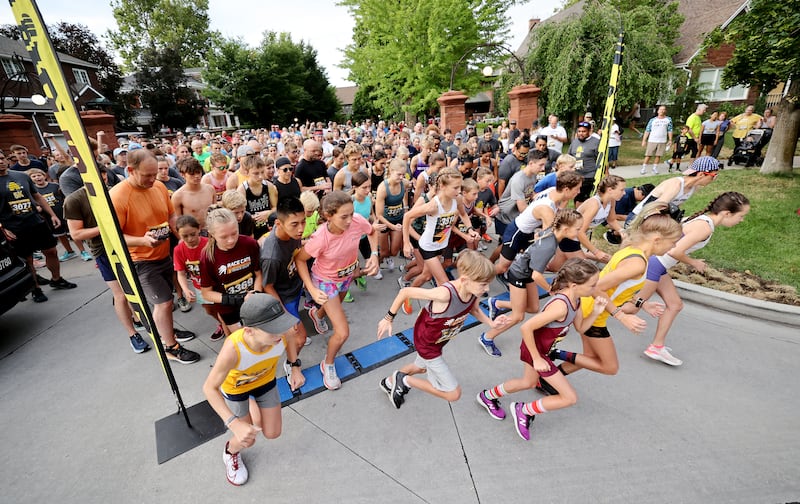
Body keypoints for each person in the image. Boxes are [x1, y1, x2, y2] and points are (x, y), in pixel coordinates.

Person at [548, 202, 682, 385]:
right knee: (608, 366)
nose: (672, 248)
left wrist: (642, 303)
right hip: (592, 313)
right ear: (657, 239)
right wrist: (622, 317)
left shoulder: (630, 248)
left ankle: (548, 379)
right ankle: (553, 354)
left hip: (591, 308)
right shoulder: (638, 263)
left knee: (591, 357)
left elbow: (620, 287)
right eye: (672, 243)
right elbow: (595, 286)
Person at [476, 259, 607, 441]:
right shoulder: (561, 306)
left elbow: (581, 328)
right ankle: (525, 411)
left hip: (542, 350)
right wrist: (537, 358)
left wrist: (595, 312)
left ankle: (487, 396)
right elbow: (526, 327)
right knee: (569, 398)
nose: (595, 289)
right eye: (592, 285)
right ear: (575, 285)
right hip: (536, 351)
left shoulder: (576, 300)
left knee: (527, 382)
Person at [377, 249, 509, 408]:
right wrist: (388, 318)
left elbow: (474, 309)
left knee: (419, 367)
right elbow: (405, 292)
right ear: (466, 280)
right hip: (427, 344)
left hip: (438, 341)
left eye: (488, 284)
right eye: (483, 285)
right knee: (453, 394)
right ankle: (405, 380)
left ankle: (389, 383)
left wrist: (492, 323)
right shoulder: (445, 294)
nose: (487, 289)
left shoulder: (473, 290)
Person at [637, 192, 750, 366]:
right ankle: (592, 307)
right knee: (631, 307)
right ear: (727, 213)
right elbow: (675, 251)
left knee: (675, 305)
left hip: (659, 265)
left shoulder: (704, 220)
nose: (741, 220)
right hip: (655, 264)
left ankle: (656, 347)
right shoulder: (704, 227)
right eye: (741, 216)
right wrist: (694, 262)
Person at [202, 293, 303, 486]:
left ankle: (252, 403)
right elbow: (209, 388)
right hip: (236, 389)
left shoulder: (283, 332)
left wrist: (295, 365)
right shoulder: (233, 349)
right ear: (249, 331)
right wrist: (233, 423)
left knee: (273, 433)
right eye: (272, 330)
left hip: (264, 382)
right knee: (247, 439)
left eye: (281, 325)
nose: (280, 333)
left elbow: (290, 338)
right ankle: (230, 452)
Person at [109, 149, 199, 364]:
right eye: (147, 175)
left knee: (167, 299)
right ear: (130, 170)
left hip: (163, 253)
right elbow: (113, 237)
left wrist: (184, 242)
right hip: (140, 260)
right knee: (165, 303)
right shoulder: (118, 196)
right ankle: (171, 347)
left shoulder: (158, 186)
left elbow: (170, 216)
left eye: (154, 174)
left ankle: (168, 331)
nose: (152, 179)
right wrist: (141, 240)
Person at [295, 191, 379, 390]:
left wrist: (374, 255)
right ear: (328, 215)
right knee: (342, 332)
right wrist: (312, 290)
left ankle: (317, 313)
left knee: (335, 307)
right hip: (325, 281)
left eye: (351, 214)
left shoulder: (357, 220)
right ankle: (328, 363)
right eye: (344, 216)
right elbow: (300, 259)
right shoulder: (320, 238)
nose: (350, 220)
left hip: (346, 275)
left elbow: (372, 232)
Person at [64, 166, 150, 353]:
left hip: (126, 246)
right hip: (103, 251)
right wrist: (105, 227)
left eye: (104, 178)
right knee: (120, 294)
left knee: (135, 287)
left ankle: (139, 319)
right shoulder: (74, 200)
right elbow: (76, 234)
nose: (103, 181)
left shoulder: (114, 192)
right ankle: (132, 334)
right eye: (98, 178)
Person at [482, 209, 584, 357]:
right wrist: (551, 289)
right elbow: (537, 276)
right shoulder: (548, 246)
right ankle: (487, 337)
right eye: (578, 229)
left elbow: (537, 235)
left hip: (527, 271)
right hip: (519, 273)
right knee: (518, 316)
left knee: (533, 307)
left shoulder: (552, 232)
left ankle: (497, 303)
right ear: (566, 229)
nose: (579, 232)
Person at [0, 150, 77, 303]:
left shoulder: (21, 176)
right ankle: (35, 288)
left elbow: (36, 196)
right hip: (14, 227)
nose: (0, 161)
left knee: (51, 251)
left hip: (35, 221)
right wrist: (2, 227)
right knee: (28, 259)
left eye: (1, 158)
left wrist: (53, 215)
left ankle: (56, 279)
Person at [495, 170, 582, 276]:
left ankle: (489, 263)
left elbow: (535, 197)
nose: (579, 192)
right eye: (577, 189)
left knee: (509, 252)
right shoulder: (546, 210)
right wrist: (542, 260)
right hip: (517, 232)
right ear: (566, 189)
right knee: (502, 267)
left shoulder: (553, 190)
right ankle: (479, 276)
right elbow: (547, 238)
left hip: (527, 230)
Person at [402, 168, 479, 286]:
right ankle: (409, 296)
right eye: (455, 188)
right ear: (442, 186)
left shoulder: (457, 199)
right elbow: (407, 217)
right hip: (428, 246)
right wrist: (406, 243)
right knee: (444, 282)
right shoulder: (433, 205)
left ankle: (407, 296)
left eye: (460, 187)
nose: (459, 191)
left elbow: (463, 214)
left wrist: (470, 229)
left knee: (426, 276)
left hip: (441, 244)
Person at [260, 196, 311, 363]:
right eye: (295, 224)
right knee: (300, 338)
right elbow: (267, 286)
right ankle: (291, 364)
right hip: (284, 297)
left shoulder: (294, 234)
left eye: (303, 222)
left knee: (295, 335)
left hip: (295, 288)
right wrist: (285, 316)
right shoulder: (271, 256)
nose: (301, 229)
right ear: (278, 224)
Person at [200, 206, 263, 336]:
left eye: (234, 233)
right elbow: (207, 293)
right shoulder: (207, 256)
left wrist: (255, 294)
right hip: (228, 308)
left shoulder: (249, 244)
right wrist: (239, 298)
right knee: (244, 340)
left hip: (252, 301)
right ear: (212, 234)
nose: (231, 240)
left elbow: (258, 274)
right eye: (223, 237)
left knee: (260, 339)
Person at [173, 215, 225, 340]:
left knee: (224, 308)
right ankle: (222, 325)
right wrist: (185, 289)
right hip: (200, 286)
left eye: (193, 234)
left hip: (217, 284)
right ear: (178, 234)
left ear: (199, 229)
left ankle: (229, 327)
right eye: (185, 236)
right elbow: (180, 273)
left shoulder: (209, 244)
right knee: (209, 310)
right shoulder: (179, 250)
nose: (190, 239)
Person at [627, 156, 720, 226]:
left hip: (650, 220)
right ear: (701, 174)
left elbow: (673, 208)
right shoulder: (676, 185)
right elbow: (653, 209)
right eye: (714, 175)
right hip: (636, 220)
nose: (715, 179)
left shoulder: (693, 188)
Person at [27, 167, 91, 262]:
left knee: (72, 233)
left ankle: (83, 251)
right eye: (34, 176)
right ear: (30, 179)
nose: (37, 178)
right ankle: (69, 251)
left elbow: (65, 196)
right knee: (60, 235)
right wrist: (38, 208)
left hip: (64, 213)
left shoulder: (55, 186)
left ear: (44, 176)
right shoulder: (33, 191)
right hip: (51, 217)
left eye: (39, 175)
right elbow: (35, 203)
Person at [375, 159, 408, 272]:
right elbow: (379, 215)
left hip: (398, 220)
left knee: (394, 251)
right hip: (384, 222)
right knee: (383, 252)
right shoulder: (383, 188)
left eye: (403, 174)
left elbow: (405, 194)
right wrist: (392, 226)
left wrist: (406, 208)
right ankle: (377, 266)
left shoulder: (404, 183)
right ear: (391, 171)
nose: (401, 177)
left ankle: (388, 258)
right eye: (399, 174)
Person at [237, 155, 277, 240]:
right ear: (247, 172)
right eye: (256, 173)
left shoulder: (269, 186)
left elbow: (276, 207)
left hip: (266, 227)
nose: (260, 176)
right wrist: (253, 217)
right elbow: (239, 213)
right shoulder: (242, 189)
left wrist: (268, 213)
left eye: (262, 172)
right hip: (250, 229)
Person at [171, 157, 216, 231]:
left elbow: (216, 212)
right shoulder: (178, 196)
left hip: (212, 230)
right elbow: (177, 222)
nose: (197, 176)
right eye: (192, 174)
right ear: (183, 175)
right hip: (193, 234)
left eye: (198, 172)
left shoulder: (210, 189)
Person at [568, 122, 601, 205]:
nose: (581, 133)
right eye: (579, 131)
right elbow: (569, 157)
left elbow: (601, 159)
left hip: (589, 175)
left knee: (583, 199)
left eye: (583, 131)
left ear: (589, 131)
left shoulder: (596, 142)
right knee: (577, 199)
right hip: (576, 175)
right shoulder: (574, 142)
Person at [640, 105, 673, 174]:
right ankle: (643, 168)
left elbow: (670, 130)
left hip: (662, 140)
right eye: (660, 109)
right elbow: (647, 130)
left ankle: (654, 168)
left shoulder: (668, 120)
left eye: (663, 109)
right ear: (658, 111)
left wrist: (670, 139)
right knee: (648, 155)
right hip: (652, 140)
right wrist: (644, 140)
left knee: (658, 155)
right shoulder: (653, 120)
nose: (662, 111)